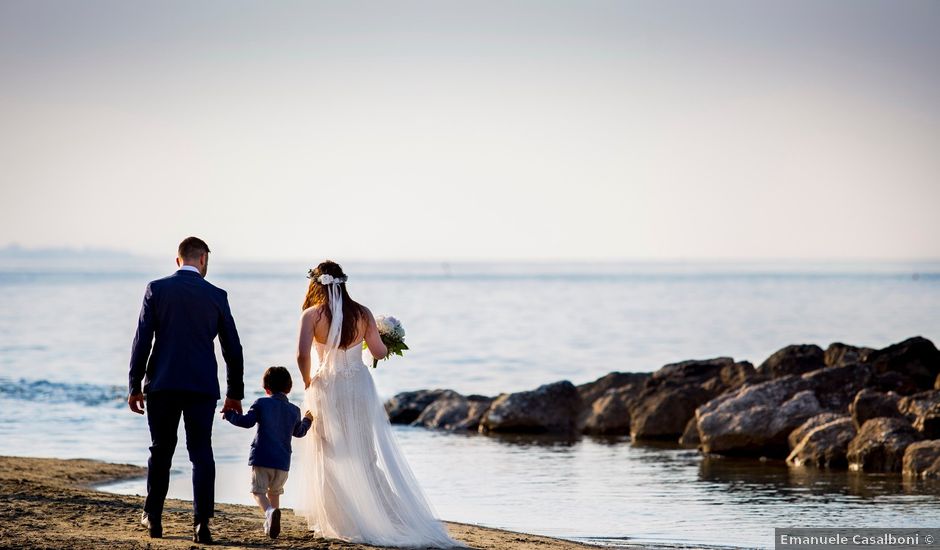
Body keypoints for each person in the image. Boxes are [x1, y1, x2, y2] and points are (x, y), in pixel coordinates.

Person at [295, 260, 460, 548]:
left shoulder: (312, 315)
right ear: (343, 283)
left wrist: (308, 381)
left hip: (327, 386)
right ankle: (380, 514)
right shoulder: (362, 313)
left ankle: (340, 519)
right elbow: (379, 352)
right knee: (364, 450)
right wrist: (385, 340)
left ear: (316, 284)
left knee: (330, 450)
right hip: (359, 385)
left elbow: (301, 355)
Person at [127, 236, 244, 544]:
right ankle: (201, 523)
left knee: (161, 450)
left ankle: (153, 517)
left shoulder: (157, 289)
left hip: (163, 385)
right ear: (203, 259)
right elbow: (232, 348)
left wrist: (134, 385)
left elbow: (142, 341)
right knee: (201, 452)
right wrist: (235, 392)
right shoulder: (217, 295)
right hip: (202, 387)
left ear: (178, 260)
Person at [222, 366, 313, 539]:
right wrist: (308, 421)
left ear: (266, 388)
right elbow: (299, 432)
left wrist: (229, 414)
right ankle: (271, 524)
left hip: (262, 458)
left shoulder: (261, 403)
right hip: (283, 463)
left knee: (258, 492)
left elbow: (247, 422)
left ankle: (270, 512)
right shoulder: (294, 410)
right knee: (275, 492)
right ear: (289, 388)